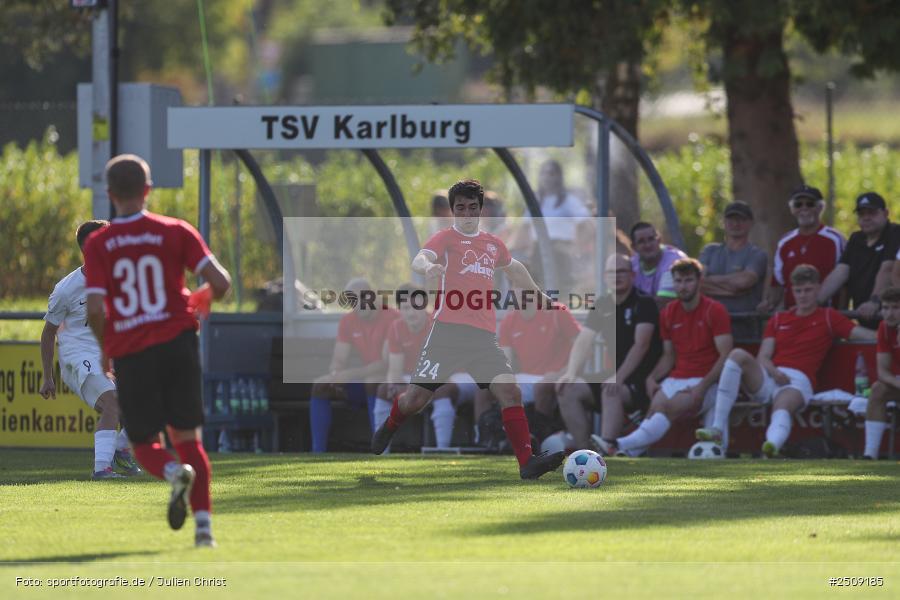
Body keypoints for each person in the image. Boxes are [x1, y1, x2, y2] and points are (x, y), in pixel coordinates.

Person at [371, 179, 566, 479]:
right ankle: (390, 425)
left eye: (472, 207)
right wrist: (429, 268)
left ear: (480, 209)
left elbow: (514, 269)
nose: (466, 213)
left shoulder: (492, 243)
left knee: (510, 392)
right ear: (452, 211)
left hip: (483, 339)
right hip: (447, 334)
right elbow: (420, 258)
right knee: (415, 401)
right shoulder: (445, 238)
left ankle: (527, 462)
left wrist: (538, 294)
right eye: (460, 208)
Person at [83, 154, 232, 547]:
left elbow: (96, 307)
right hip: (179, 343)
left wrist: (105, 347)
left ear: (110, 194)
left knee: (145, 444)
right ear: (148, 190)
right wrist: (201, 297)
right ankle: (204, 531)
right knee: (189, 438)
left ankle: (172, 473)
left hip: (133, 351)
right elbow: (221, 281)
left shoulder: (100, 243)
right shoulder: (176, 230)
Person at [698, 264, 876, 457]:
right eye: (798, 291)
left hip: (797, 381)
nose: (803, 295)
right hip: (770, 375)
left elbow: (860, 334)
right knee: (737, 354)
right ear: (792, 291)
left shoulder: (828, 316)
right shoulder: (779, 318)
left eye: (808, 290)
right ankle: (717, 428)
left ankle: (771, 447)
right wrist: (775, 372)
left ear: (817, 288)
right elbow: (763, 357)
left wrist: (888, 333)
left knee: (783, 404)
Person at [594, 258, 733, 456]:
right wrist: (651, 378)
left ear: (699, 281)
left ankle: (616, 444)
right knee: (655, 409)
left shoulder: (715, 310)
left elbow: (726, 355)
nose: (683, 286)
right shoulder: (668, 313)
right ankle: (627, 453)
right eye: (678, 281)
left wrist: (702, 387)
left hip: (707, 381)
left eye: (688, 280)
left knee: (667, 407)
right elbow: (668, 356)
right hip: (677, 377)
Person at [39, 220, 141, 480]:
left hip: (106, 354)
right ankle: (101, 469)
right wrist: (47, 376)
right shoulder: (66, 289)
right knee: (113, 403)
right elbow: (49, 332)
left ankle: (120, 448)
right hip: (77, 357)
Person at [555, 253, 662, 451]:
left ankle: (607, 449)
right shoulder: (603, 304)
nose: (616, 276)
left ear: (632, 274)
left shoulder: (644, 303)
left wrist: (619, 377)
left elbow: (642, 345)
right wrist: (570, 372)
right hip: (614, 377)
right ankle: (584, 453)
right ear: (605, 276)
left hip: (642, 381)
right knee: (567, 388)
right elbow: (583, 340)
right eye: (612, 272)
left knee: (610, 388)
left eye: (621, 271)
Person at [374, 283, 474, 449]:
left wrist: (415, 390)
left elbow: (442, 372)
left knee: (441, 391)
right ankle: (381, 451)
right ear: (399, 310)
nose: (411, 312)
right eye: (406, 308)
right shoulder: (396, 328)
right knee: (384, 390)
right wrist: (393, 385)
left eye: (416, 307)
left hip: (451, 377)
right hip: (417, 377)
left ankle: (443, 450)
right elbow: (395, 371)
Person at [310, 277, 399, 453]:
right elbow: (339, 358)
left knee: (372, 381)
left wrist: (350, 374)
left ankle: (380, 449)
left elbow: (387, 364)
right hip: (363, 382)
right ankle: (317, 452)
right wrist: (336, 374)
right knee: (320, 386)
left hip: (390, 382)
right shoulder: (348, 321)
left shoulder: (392, 318)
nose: (358, 304)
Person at [496, 288, 585, 444]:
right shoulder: (509, 320)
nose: (521, 292)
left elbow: (584, 347)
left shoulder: (557, 312)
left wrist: (563, 373)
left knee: (542, 387)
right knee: (486, 388)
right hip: (527, 378)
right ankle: (490, 440)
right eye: (516, 286)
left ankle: (538, 440)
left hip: (556, 376)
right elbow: (505, 362)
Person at [818, 192, 900, 328]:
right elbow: (841, 272)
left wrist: (874, 301)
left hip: (890, 320)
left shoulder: (895, 233)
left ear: (886, 213)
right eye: (861, 214)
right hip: (863, 318)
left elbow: (888, 269)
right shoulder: (856, 239)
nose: (866, 218)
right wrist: (814, 302)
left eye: (872, 213)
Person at [758, 185, 845, 312]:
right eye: (798, 204)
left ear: (820, 207)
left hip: (826, 317)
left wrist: (842, 315)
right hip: (793, 317)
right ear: (792, 209)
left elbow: (844, 284)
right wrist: (768, 303)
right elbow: (777, 283)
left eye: (810, 204)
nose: (804, 208)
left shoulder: (836, 239)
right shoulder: (784, 242)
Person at [699, 201, 768, 338]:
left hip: (744, 327)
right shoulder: (710, 251)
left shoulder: (757, 254)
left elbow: (743, 283)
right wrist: (732, 287)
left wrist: (710, 280)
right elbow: (697, 283)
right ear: (724, 222)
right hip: (711, 324)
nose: (736, 224)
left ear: (750, 223)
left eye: (741, 219)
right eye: (731, 219)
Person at [862, 286, 900, 459]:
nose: (890, 313)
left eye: (896, 308)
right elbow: (883, 372)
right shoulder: (884, 328)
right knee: (878, 389)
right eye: (885, 308)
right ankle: (870, 455)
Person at [629, 222, 687, 306]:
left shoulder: (674, 261)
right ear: (634, 247)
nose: (648, 245)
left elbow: (663, 302)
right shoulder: (631, 264)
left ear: (659, 240)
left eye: (651, 239)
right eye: (641, 241)